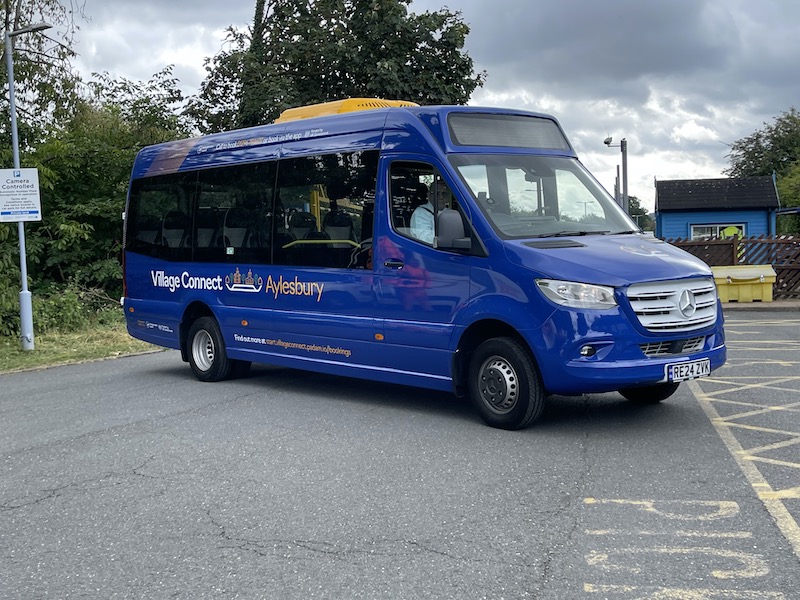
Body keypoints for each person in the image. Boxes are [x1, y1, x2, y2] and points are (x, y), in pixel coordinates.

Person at [410, 179, 451, 244]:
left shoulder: (451, 213)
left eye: (444, 194)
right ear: (428, 195)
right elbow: (424, 239)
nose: (441, 197)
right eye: (436, 193)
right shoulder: (421, 213)